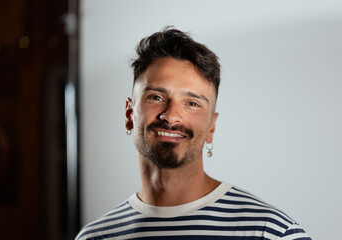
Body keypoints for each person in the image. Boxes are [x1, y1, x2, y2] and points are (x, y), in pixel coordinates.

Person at [75, 27, 311, 240]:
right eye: (156, 97)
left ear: (211, 127)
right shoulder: (95, 237)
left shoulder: (273, 233)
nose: (171, 115)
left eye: (192, 103)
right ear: (129, 115)